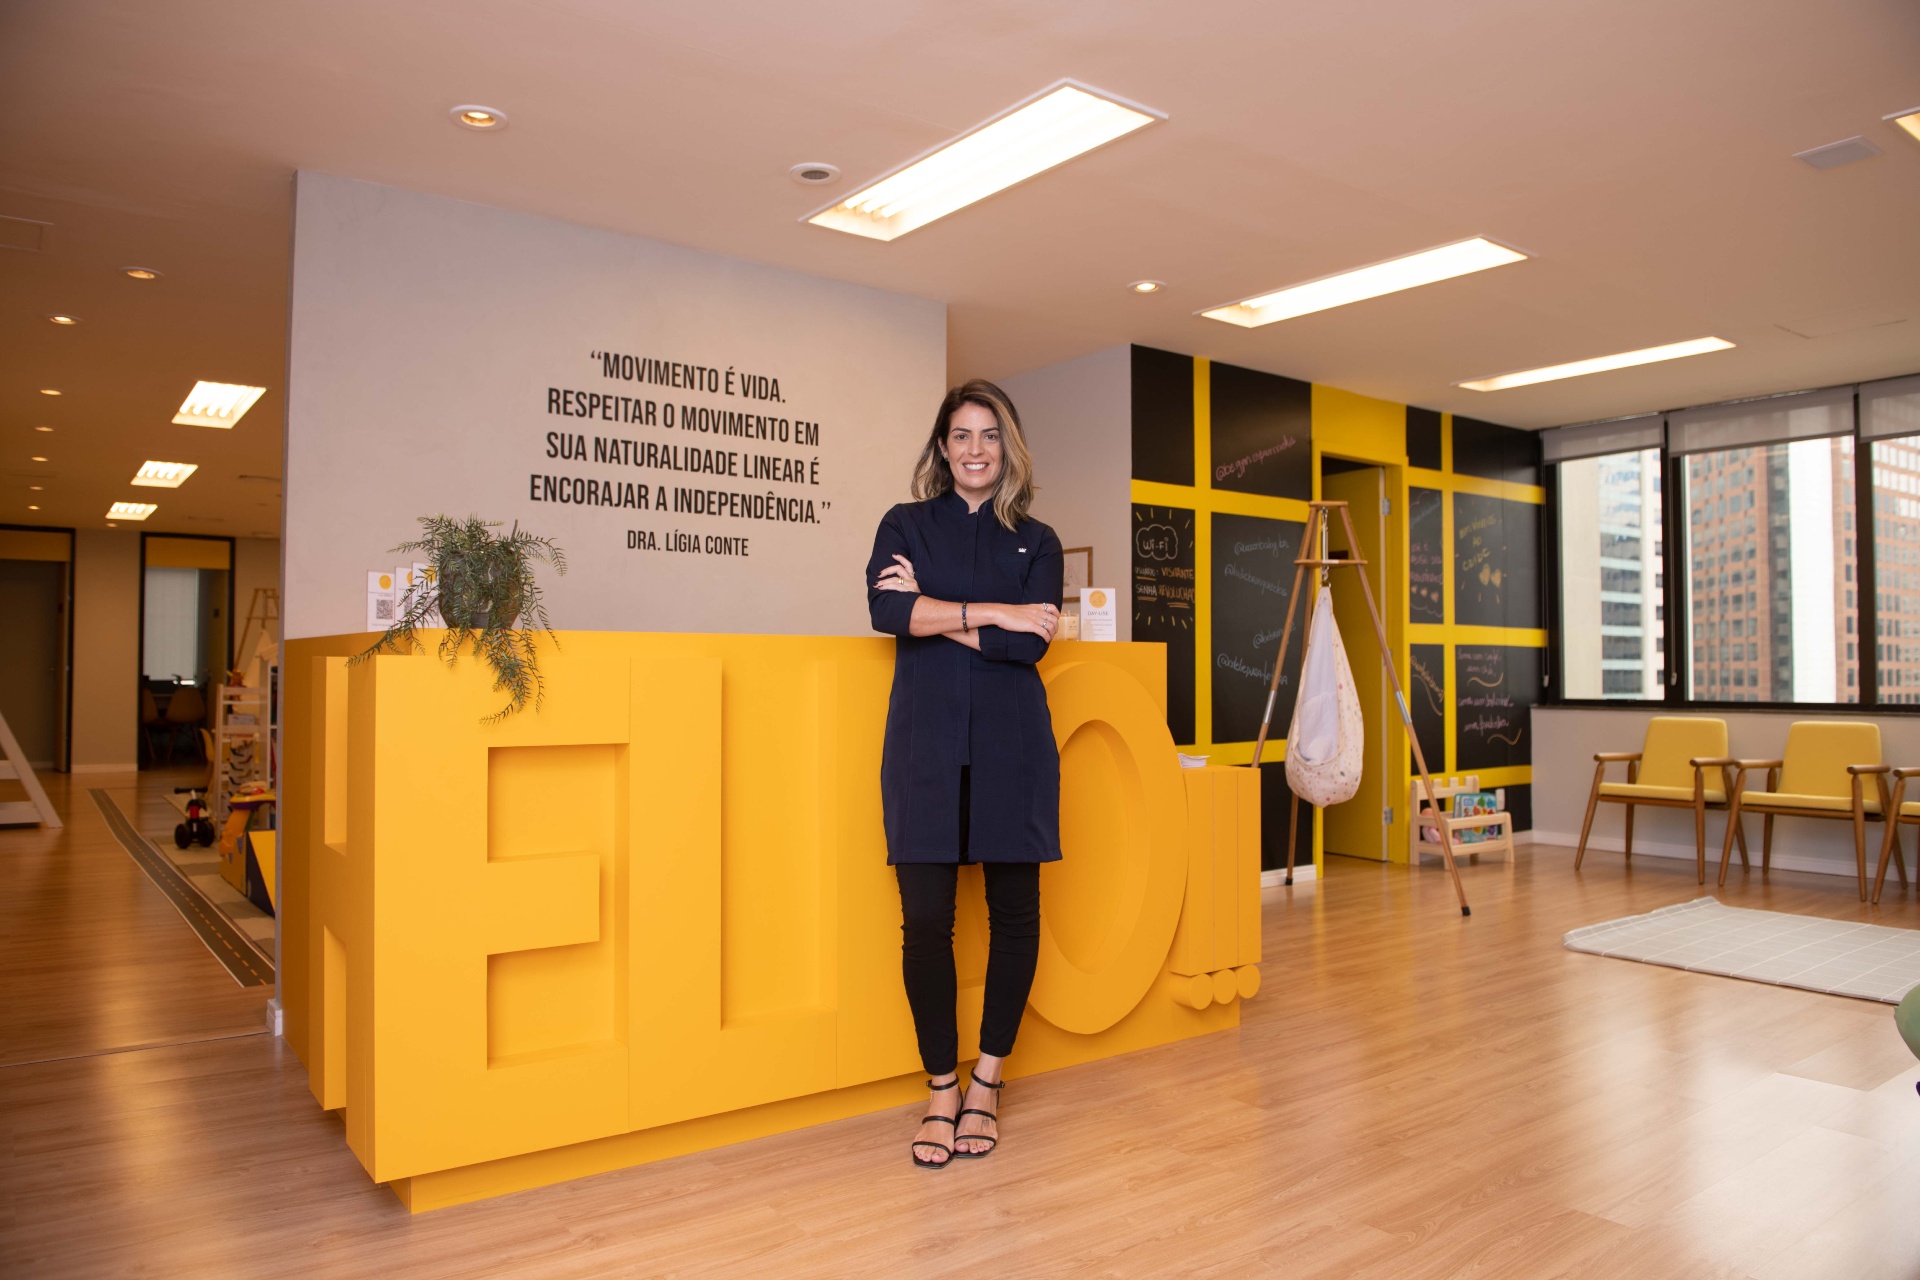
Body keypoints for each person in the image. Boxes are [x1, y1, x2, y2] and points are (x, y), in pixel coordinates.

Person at [866, 379, 1064, 1168]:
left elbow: (1032, 645)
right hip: (923, 747)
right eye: (961, 436)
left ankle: (987, 1081)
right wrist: (996, 611)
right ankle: (941, 1089)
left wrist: (941, 612)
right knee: (924, 921)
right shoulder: (902, 523)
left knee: (1015, 915)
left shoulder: (1038, 540)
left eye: (988, 435)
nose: (975, 449)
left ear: (1005, 447)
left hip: (1015, 748)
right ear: (941, 448)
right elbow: (887, 616)